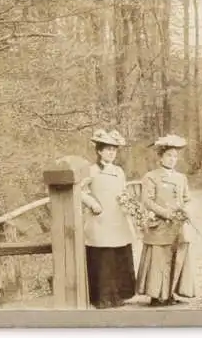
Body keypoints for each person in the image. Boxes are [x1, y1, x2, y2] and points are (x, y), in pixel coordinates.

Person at [136, 134, 196, 307]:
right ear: (160, 157)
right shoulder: (151, 177)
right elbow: (147, 201)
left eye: (175, 156)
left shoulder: (181, 178)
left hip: (177, 226)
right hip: (160, 225)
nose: (172, 159)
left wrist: (186, 210)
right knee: (159, 259)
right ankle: (156, 295)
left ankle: (170, 293)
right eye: (169, 155)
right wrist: (166, 213)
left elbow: (187, 198)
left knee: (175, 257)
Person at [80, 129, 137, 309]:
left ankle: (119, 295)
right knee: (103, 258)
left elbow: (123, 192)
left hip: (117, 219)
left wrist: (128, 204)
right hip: (100, 219)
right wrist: (92, 203)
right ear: (99, 151)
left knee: (117, 256)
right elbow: (79, 191)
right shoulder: (91, 170)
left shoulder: (119, 171)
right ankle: (102, 298)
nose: (111, 153)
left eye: (114, 150)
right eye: (108, 149)